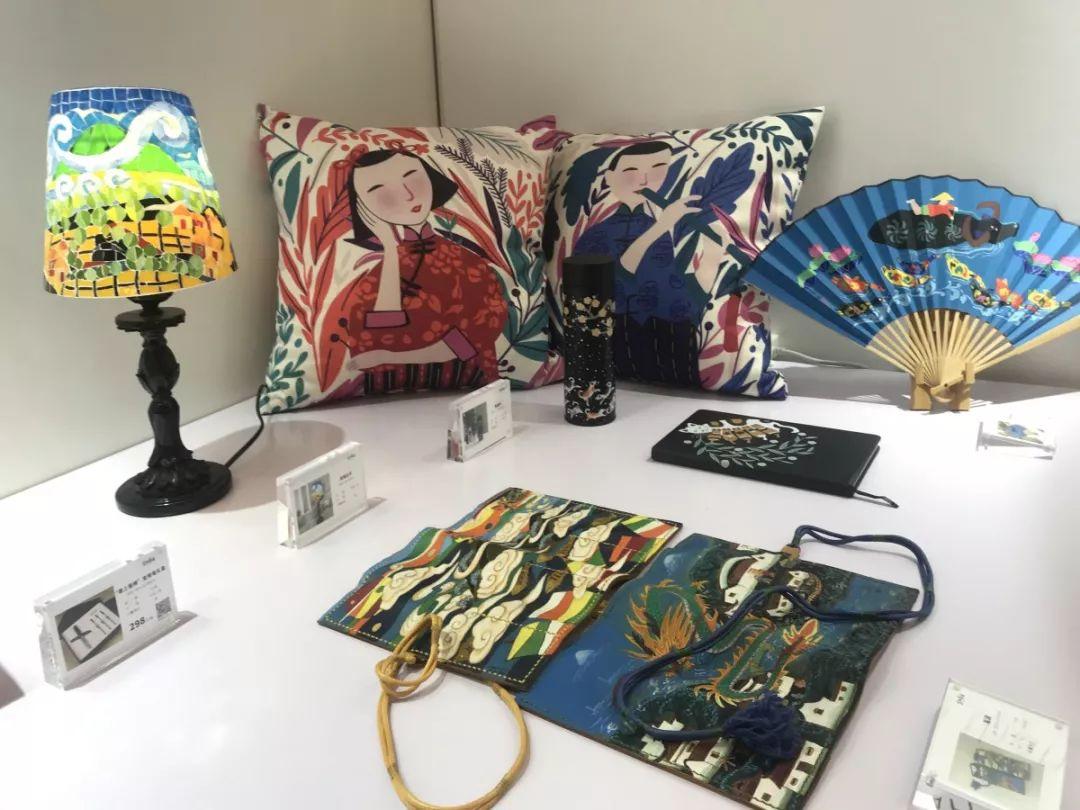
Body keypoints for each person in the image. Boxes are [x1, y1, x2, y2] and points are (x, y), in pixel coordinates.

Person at [330, 149, 507, 390]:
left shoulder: (469, 264)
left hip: (473, 388)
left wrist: (389, 357)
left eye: (412, 177)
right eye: (379, 191)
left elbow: (473, 340)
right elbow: (372, 339)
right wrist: (389, 248)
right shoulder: (377, 276)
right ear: (364, 208)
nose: (408, 195)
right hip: (385, 397)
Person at [574, 141, 706, 386]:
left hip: (671, 335)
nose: (644, 181)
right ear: (610, 178)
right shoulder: (597, 235)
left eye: (657, 170)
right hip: (624, 333)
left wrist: (714, 254)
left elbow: (674, 285)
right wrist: (663, 225)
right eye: (631, 171)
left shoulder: (655, 226)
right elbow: (620, 277)